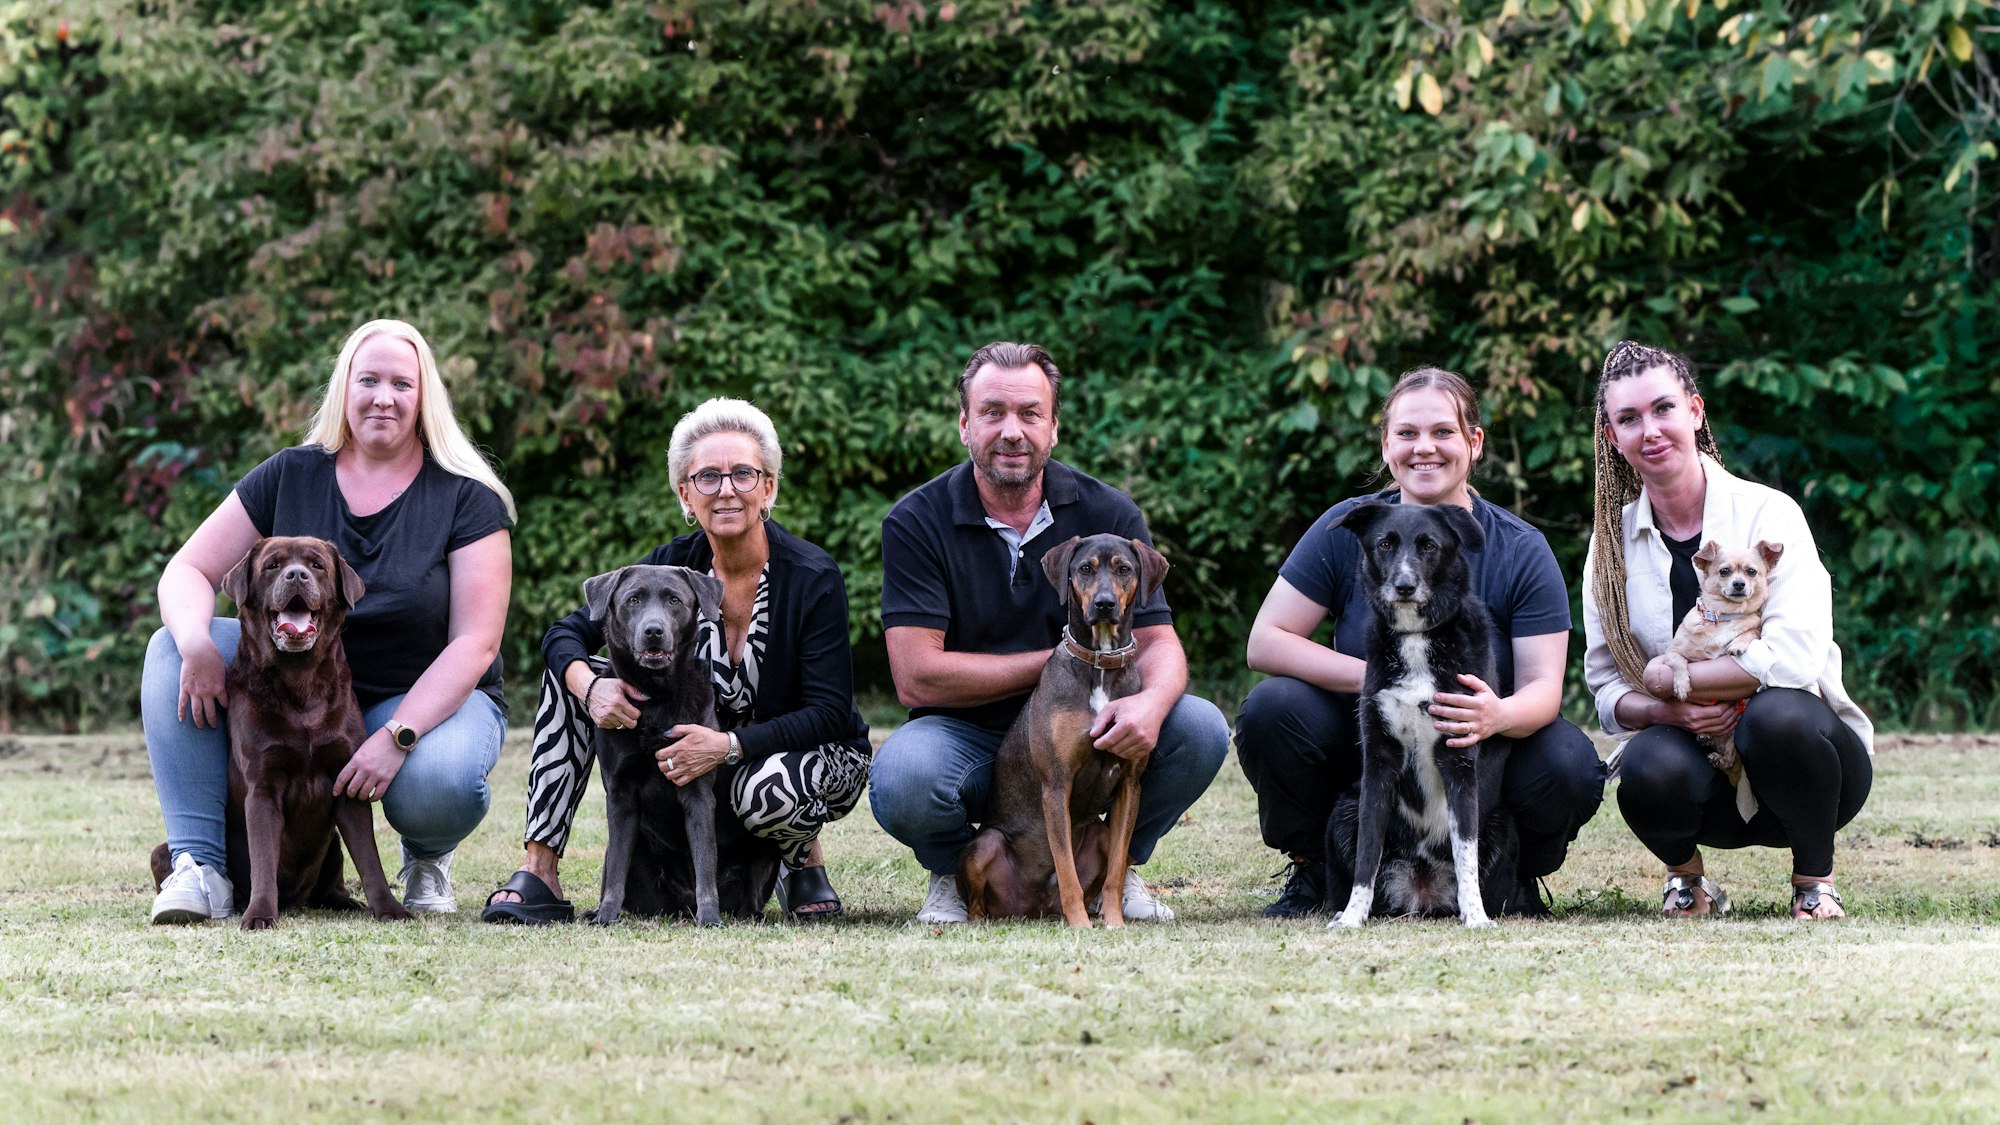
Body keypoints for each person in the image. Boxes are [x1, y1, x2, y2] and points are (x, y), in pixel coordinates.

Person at [143, 319, 515, 922]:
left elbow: (476, 641)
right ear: (345, 388)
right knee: (170, 649)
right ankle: (200, 865)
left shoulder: (466, 497)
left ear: (425, 398)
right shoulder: (292, 471)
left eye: (402, 383)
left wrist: (397, 737)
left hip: (418, 697)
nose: (383, 397)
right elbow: (186, 570)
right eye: (368, 380)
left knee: (440, 778)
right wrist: (197, 644)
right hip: (294, 689)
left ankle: (426, 858)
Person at [869, 341, 1231, 924]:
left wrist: (1150, 705)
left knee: (1199, 727)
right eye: (992, 413)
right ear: (965, 425)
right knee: (906, 776)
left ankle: (1113, 868)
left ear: (1053, 428)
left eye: (1030, 414)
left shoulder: (1109, 513)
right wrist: (1060, 660)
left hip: (1098, 711)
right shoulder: (917, 520)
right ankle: (956, 871)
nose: (1012, 432)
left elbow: (1162, 643)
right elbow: (916, 677)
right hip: (967, 733)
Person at [482, 397, 871, 924]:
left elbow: (829, 712)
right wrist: (591, 688)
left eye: (743, 474)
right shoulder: (670, 569)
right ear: (686, 494)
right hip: (705, 758)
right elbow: (565, 634)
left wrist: (728, 746)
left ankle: (801, 863)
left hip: (802, 754)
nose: (727, 489)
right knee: (574, 679)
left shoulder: (811, 577)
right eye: (707, 477)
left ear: (769, 488)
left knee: (761, 790)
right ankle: (539, 868)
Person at [1237, 367, 1606, 918]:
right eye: (1406, 433)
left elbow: (1543, 690)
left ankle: (1508, 874)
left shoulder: (1520, 547)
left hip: (1478, 759)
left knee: (1570, 759)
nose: (1423, 448)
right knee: (1273, 708)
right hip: (1370, 747)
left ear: (1474, 443)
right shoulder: (1353, 526)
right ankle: (1318, 868)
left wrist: (1494, 715)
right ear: (1386, 444)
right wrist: (1378, 683)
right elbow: (1266, 641)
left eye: (1442, 432)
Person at [1583, 341, 1873, 920]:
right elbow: (1608, 690)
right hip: (1701, 774)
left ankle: (1814, 882)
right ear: (1613, 438)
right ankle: (1688, 885)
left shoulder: (1770, 514)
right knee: (1644, 767)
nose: (1651, 430)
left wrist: (1678, 685)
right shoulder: (1608, 545)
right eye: (1629, 419)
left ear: (1695, 410)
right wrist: (1671, 713)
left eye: (1664, 409)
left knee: (1780, 713)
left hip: (1809, 770)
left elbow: (1792, 663)